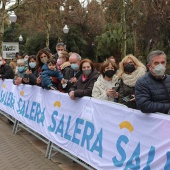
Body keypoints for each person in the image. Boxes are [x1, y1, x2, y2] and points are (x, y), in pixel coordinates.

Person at [135, 50, 170, 114]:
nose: (160, 66)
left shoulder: (169, 79)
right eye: (156, 63)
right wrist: (168, 108)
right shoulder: (142, 82)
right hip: (155, 122)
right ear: (149, 66)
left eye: (162, 62)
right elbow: (144, 105)